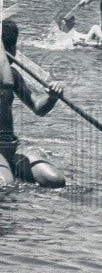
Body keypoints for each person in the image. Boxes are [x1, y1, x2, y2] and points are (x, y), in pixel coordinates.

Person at [0, 20, 66, 188]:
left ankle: (9, 168)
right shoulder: (7, 77)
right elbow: (5, 83)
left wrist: (52, 97)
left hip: (11, 147)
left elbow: (38, 107)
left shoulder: (13, 75)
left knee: (55, 180)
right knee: (5, 184)